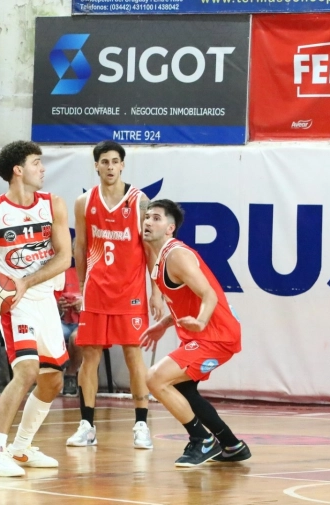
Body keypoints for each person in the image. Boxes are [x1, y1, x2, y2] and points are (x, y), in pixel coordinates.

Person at [0, 140, 72, 478]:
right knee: (27, 371)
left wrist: (27, 281)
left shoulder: (53, 205)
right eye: (36, 163)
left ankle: (21, 447)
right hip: (13, 304)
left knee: (53, 381)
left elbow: (64, 257)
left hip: (43, 298)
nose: (42, 169)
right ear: (18, 170)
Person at [140, 199, 250, 467]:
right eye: (147, 217)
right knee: (182, 388)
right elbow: (184, 301)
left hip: (216, 336)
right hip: (204, 334)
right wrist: (164, 324)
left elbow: (209, 294)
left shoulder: (177, 255)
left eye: (156, 218)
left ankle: (202, 440)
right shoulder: (160, 258)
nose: (148, 222)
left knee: (155, 379)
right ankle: (232, 445)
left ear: (170, 228)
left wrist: (200, 322)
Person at [67, 140, 162, 449]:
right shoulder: (84, 202)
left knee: (134, 355)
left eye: (114, 161)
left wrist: (156, 291)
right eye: (104, 161)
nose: (110, 167)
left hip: (130, 291)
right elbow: (80, 246)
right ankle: (87, 425)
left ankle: (141, 424)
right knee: (90, 356)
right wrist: (82, 284)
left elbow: (151, 248)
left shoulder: (139, 201)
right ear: (96, 165)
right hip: (96, 290)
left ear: (123, 165)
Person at [55, 265, 82, 396]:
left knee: (76, 338)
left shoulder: (94, 270)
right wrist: (59, 306)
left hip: (87, 323)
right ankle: (51, 377)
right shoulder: (60, 272)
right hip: (64, 321)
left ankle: (70, 375)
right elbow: (49, 303)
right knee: (47, 335)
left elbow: (104, 300)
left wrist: (85, 305)